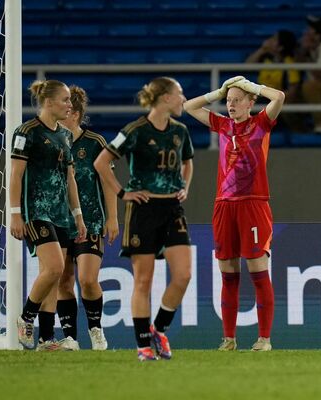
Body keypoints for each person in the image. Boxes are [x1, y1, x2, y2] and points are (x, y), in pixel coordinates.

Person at [94, 77, 194, 361]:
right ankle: (143, 346)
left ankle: (159, 329)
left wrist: (185, 186)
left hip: (172, 208)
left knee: (184, 275)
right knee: (143, 281)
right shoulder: (135, 130)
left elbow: (188, 162)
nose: (183, 99)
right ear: (165, 98)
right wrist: (123, 192)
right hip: (143, 209)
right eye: (180, 94)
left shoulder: (180, 131)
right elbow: (101, 162)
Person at [183, 75, 285, 351]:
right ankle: (229, 339)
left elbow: (279, 97)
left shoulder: (261, 123)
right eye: (228, 101)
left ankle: (264, 338)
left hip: (254, 204)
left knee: (257, 269)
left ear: (251, 102)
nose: (231, 105)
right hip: (224, 204)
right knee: (228, 271)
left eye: (237, 100)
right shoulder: (223, 125)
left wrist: (252, 86)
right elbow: (189, 107)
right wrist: (218, 91)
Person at [10, 79, 87, 350]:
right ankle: (25, 317)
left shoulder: (65, 135)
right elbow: (16, 176)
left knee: (53, 275)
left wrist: (77, 214)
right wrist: (15, 213)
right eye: (65, 100)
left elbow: (70, 179)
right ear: (49, 102)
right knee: (54, 267)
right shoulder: (26, 132)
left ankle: (45, 339)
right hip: (36, 211)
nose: (70, 104)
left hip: (60, 213)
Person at [53, 85, 117, 351]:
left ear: (76, 114)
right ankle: (70, 338)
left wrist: (112, 218)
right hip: (59, 222)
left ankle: (96, 330)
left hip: (90, 221)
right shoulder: (51, 143)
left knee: (88, 279)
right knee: (63, 279)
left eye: (66, 112)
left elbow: (108, 183)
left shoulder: (95, 143)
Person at [246, 30, 306, 133]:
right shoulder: (266, 58)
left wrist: (271, 95)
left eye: (274, 39)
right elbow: (247, 65)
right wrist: (262, 49)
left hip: (274, 100)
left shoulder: (289, 63)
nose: (269, 40)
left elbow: (292, 92)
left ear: (280, 47)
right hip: (260, 96)